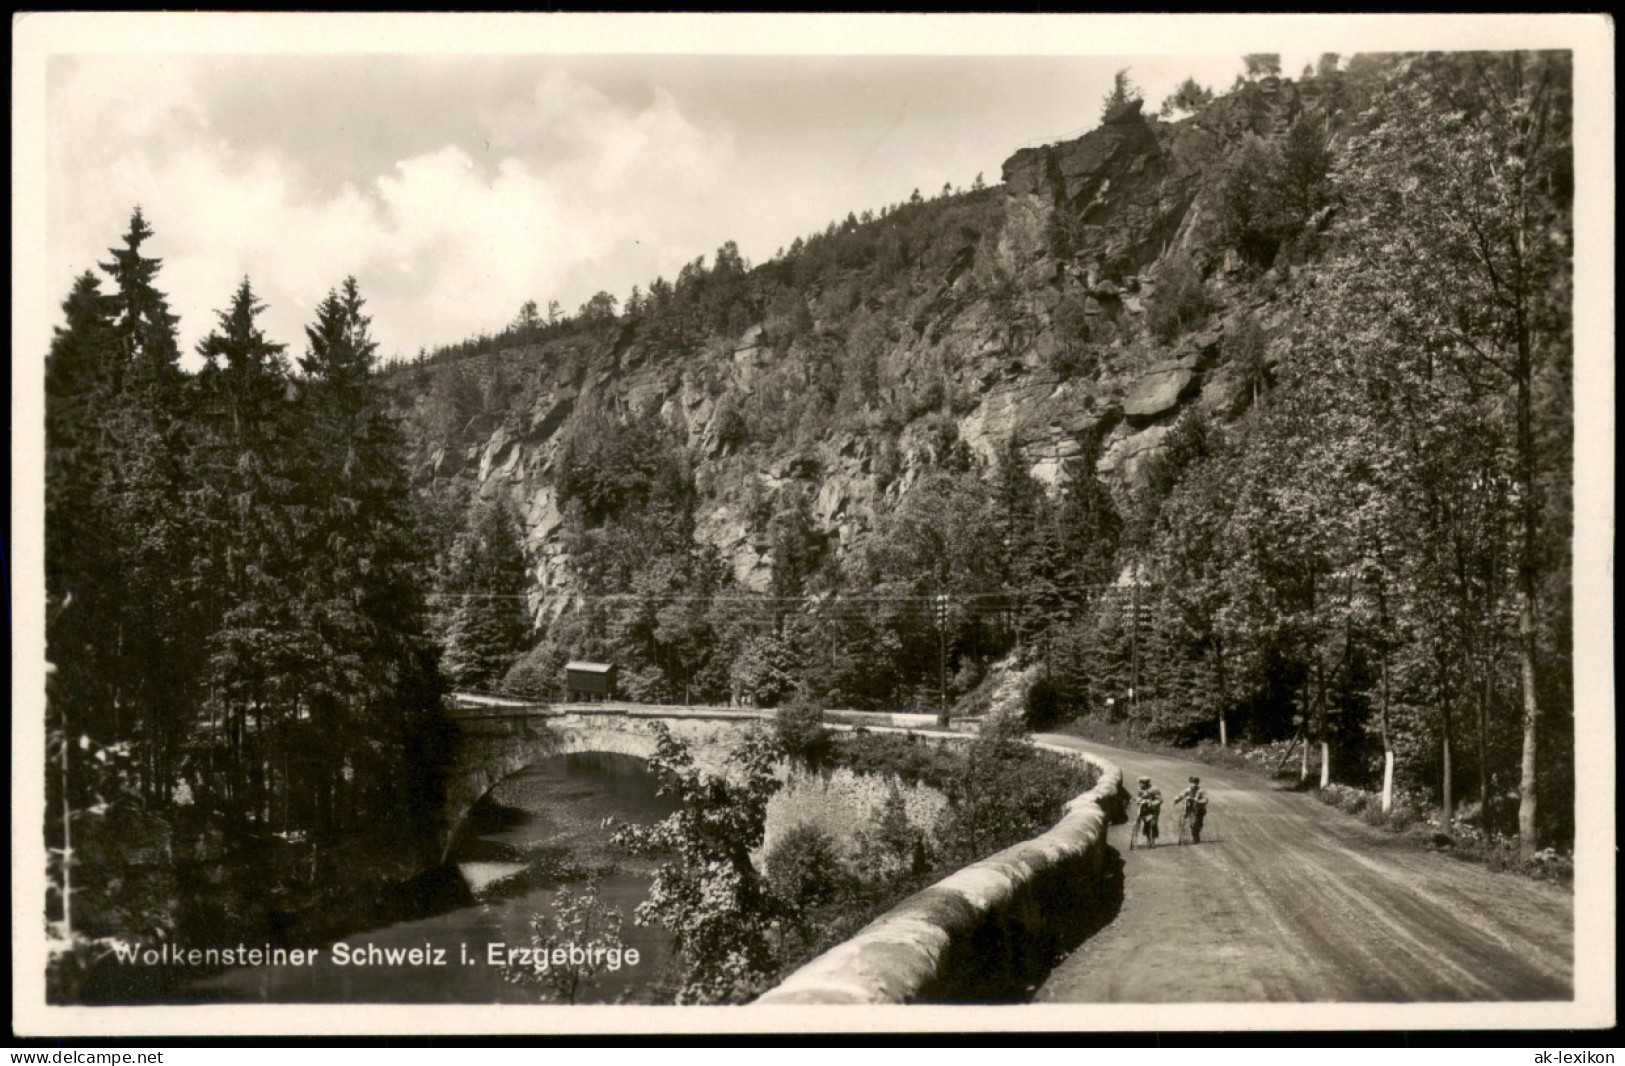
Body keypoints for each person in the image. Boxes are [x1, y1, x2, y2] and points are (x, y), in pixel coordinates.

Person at [1174, 776, 1209, 842]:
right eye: (1192, 782)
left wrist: (1197, 801)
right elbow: (1181, 795)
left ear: (1197, 783)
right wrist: (1176, 799)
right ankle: (1185, 831)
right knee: (1189, 821)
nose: (1193, 784)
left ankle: (1196, 835)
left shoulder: (1201, 791)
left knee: (1197, 823)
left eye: (1195, 783)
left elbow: (1205, 800)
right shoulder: (1188, 790)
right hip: (1189, 808)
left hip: (1199, 809)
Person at [1134, 775, 1163, 846]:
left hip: (1154, 810)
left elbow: (1160, 800)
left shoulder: (1154, 789)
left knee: (1153, 824)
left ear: (1146, 783)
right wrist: (1138, 801)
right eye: (1139, 782)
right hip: (1144, 809)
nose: (1140, 784)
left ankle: (1152, 841)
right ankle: (1148, 839)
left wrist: (1152, 803)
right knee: (1146, 824)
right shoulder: (1140, 789)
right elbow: (1139, 797)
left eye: (1141, 782)